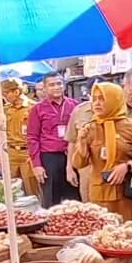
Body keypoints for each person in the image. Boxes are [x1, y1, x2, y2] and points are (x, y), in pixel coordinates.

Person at [72, 82, 132, 219]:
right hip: (100, 194)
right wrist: (81, 142)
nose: (97, 103)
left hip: (127, 193)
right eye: (94, 99)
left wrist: (127, 166)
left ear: (114, 100)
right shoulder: (90, 128)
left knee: (129, 229)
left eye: (102, 99)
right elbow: (79, 163)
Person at [28, 72, 80, 207]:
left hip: (72, 155)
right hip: (49, 158)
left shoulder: (75, 105)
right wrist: (37, 165)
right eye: (51, 85)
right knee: (51, 200)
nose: (56, 87)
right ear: (44, 88)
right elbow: (32, 137)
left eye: (59, 83)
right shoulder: (37, 109)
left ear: (64, 85)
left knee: (74, 199)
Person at [0, 79, 41, 198]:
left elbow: (40, 133)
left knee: (32, 190)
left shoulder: (33, 107)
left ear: (16, 91)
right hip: (11, 153)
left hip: (28, 153)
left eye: (6, 93)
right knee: (12, 191)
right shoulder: (5, 109)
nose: (4, 96)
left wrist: (34, 155)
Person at [65, 91, 97, 202]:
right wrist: (69, 168)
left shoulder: (118, 111)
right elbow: (72, 141)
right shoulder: (79, 111)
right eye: (95, 96)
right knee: (88, 204)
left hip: (108, 169)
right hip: (85, 168)